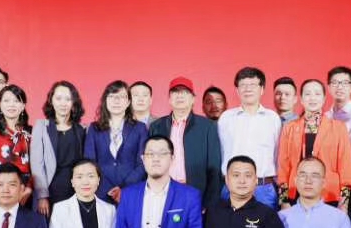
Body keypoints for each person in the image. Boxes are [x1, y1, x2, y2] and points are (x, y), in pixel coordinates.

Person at [275, 78, 351, 207]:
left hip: (329, 195)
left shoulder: (338, 128)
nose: (312, 98)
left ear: (324, 99)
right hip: (295, 194)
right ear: (301, 99)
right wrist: (283, 201)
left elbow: (346, 168)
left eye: (317, 94)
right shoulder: (289, 128)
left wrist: (344, 204)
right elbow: (283, 168)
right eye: (308, 94)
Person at [148, 76, 223, 209]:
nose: (180, 96)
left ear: (193, 99)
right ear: (169, 99)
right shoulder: (157, 126)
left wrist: (209, 203)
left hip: (194, 193)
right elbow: (149, 163)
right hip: (163, 192)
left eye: (185, 92)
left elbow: (214, 167)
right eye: (175, 92)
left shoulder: (207, 126)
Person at [216, 67, 282, 205]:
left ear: (262, 89)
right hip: (231, 187)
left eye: (252, 84)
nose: (247, 89)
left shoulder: (273, 118)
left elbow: (278, 155)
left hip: (263, 188)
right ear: (237, 90)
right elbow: (220, 153)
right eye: (243, 85)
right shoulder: (226, 118)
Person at [84, 80, 149, 203]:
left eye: (121, 97)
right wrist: (107, 188)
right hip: (101, 193)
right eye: (112, 96)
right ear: (105, 100)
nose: (116, 101)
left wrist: (124, 188)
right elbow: (89, 162)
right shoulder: (94, 128)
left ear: (128, 102)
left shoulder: (140, 128)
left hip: (131, 192)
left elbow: (143, 163)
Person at [31, 80, 87, 218]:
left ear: (74, 102)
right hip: (51, 189)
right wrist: (42, 195)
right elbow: (37, 164)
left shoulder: (82, 129)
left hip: (75, 189)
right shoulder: (41, 126)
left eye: (68, 99)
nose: (63, 103)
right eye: (58, 98)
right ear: (51, 101)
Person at [0, 84, 32, 191]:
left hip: (27, 190)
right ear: (0, 104)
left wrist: (28, 189)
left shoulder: (31, 133)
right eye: (6, 101)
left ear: (23, 106)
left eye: (16, 101)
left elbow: (38, 168)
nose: (11, 105)